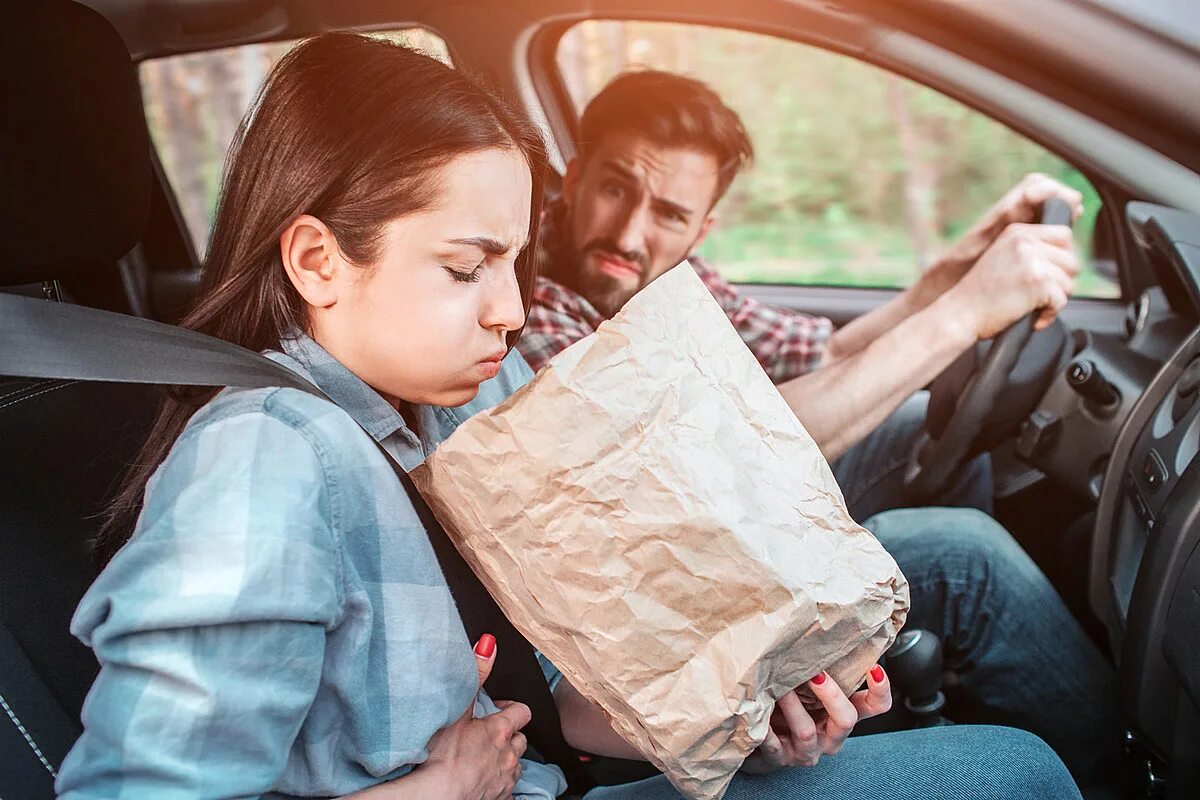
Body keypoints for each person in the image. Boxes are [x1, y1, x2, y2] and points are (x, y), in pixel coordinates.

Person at [54, 33, 1083, 800]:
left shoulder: (468, 401)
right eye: (465, 266)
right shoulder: (262, 459)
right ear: (318, 258)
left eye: (510, 257)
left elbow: (556, 699)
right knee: (1015, 770)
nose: (509, 306)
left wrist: (733, 714)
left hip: (555, 775)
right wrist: (428, 792)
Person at [517, 70, 1086, 522]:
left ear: (700, 231)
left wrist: (965, 263)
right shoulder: (523, 297)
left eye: (669, 214)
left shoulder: (672, 277)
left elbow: (827, 356)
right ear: (574, 177)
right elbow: (714, 460)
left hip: (715, 513)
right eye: (616, 189)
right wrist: (965, 315)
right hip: (654, 560)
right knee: (966, 563)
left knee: (922, 419)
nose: (628, 234)